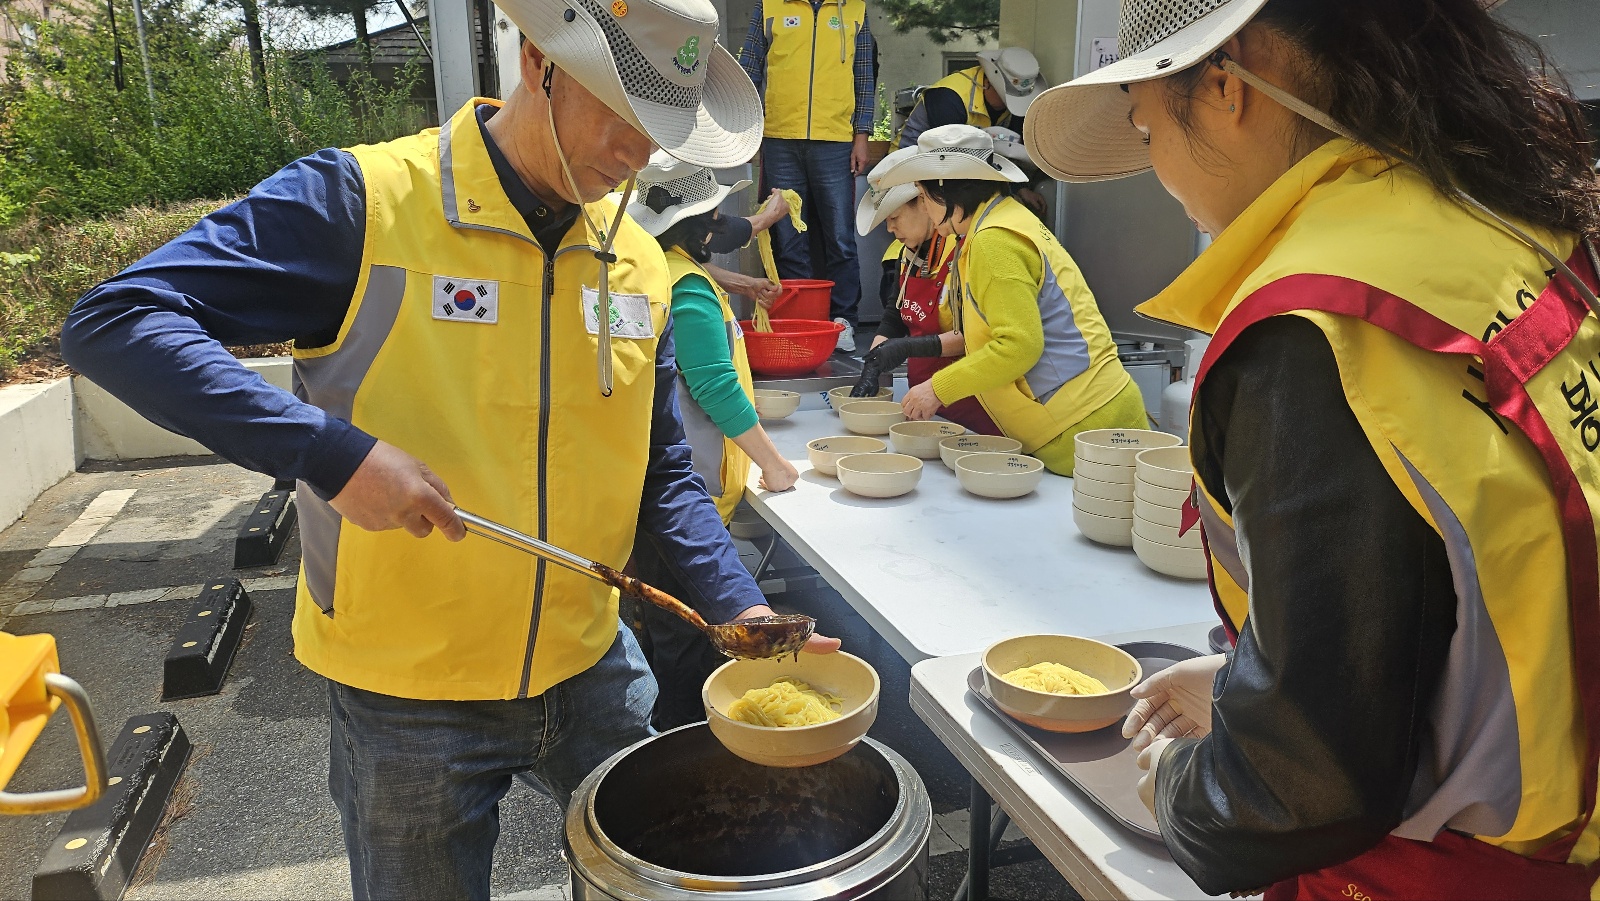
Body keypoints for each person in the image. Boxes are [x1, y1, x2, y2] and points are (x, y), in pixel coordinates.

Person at [58, 1, 841, 897]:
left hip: (593, 665)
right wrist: (327, 451)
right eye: (621, 113)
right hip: (406, 696)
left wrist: (742, 608)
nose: (636, 154)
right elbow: (116, 321)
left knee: (660, 880)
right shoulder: (365, 203)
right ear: (541, 62)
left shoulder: (637, 263)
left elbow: (660, 472)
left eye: (659, 131)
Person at [1026, 0, 1600, 897]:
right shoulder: (1506, 228)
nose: (1159, 171)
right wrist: (1250, 675)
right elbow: (1464, 585)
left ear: (1225, 85)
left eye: (1146, 126)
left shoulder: (1312, 327)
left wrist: (1185, 785)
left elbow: (1302, 787)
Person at [624, 152, 801, 728]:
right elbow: (715, 387)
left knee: (654, 618)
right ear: (697, 225)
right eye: (714, 215)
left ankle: (652, 727)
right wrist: (774, 465)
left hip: (644, 488)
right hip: (686, 492)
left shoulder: (652, 271)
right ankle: (687, 736)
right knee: (690, 637)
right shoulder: (690, 290)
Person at [875, 124, 1146, 476]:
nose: (923, 209)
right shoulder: (994, 226)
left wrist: (937, 389)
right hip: (1078, 422)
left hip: (1085, 425)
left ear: (946, 191)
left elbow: (1018, 346)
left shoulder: (993, 241)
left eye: (924, 198)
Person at [738, 0, 877, 353]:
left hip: (835, 140)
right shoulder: (768, 5)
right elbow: (749, 69)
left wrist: (861, 134)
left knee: (840, 237)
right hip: (780, 138)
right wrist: (749, 131)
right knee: (787, 237)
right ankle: (799, 321)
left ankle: (844, 320)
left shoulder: (855, 9)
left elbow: (864, 76)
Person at [851, 147, 1000, 434]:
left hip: (974, 398)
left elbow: (982, 335)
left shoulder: (966, 248)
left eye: (894, 217)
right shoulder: (911, 254)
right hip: (926, 403)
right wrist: (872, 363)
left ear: (923, 201)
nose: (890, 229)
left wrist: (908, 347)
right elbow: (894, 316)